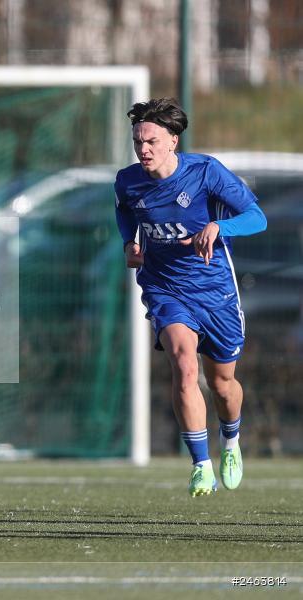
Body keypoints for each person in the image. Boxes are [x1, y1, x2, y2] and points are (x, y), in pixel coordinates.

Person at [114, 98, 267, 497]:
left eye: (150, 141)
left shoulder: (205, 172)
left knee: (222, 383)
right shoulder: (128, 180)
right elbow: (126, 213)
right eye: (137, 141)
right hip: (165, 288)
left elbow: (257, 217)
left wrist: (219, 227)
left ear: (173, 141)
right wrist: (129, 242)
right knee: (183, 365)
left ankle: (230, 441)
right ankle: (201, 465)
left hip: (215, 291)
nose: (142, 149)